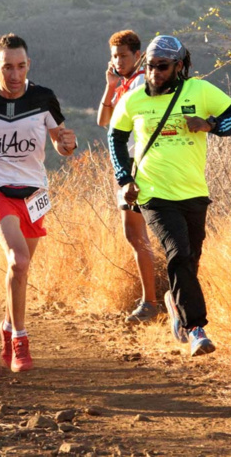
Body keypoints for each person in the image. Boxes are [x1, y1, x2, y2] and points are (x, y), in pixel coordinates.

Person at [107, 35, 231, 356]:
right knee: (178, 252)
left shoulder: (198, 91)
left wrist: (210, 124)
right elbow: (115, 136)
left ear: (179, 66)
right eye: (150, 66)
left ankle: (174, 303)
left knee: (190, 260)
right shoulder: (134, 99)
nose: (154, 72)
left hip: (194, 192)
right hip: (153, 193)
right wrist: (125, 178)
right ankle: (196, 329)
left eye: (163, 67)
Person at [0, 33, 77, 372]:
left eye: (21, 66)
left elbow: (59, 141)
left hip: (34, 192)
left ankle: (7, 326)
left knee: (21, 270)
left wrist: (68, 144)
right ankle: (21, 340)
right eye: (7, 67)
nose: (15, 74)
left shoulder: (44, 98)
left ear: (28, 65)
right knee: (18, 259)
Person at [96, 30, 159, 324]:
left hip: (138, 167)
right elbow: (103, 121)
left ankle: (151, 302)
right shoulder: (124, 85)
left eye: (123, 55)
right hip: (128, 166)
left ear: (138, 56)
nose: (118, 61)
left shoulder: (141, 84)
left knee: (136, 235)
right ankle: (154, 298)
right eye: (114, 56)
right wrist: (110, 87)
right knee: (137, 236)